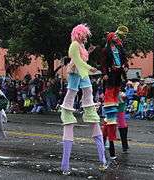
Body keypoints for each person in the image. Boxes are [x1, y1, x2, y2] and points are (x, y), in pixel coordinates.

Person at [60, 24, 107, 175]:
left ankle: (89, 109)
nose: (86, 37)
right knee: (72, 91)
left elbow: (83, 58)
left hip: (83, 72)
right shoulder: (74, 45)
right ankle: (67, 110)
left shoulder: (80, 45)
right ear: (78, 34)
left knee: (88, 90)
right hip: (76, 72)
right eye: (84, 34)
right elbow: (78, 62)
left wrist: (90, 53)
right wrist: (90, 68)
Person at [101, 26, 129, 160]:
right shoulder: (106, 50)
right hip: (111, 81)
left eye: (117, 37)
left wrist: (125, 66)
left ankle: (123, 145)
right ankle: (108, 143)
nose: (117, 38)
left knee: (117, 116)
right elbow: (104, 64)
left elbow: (124, 58)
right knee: (110, 118)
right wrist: (105, 73)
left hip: (118, 80)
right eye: (115, 37)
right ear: (110, 38)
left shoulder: (119, 48)